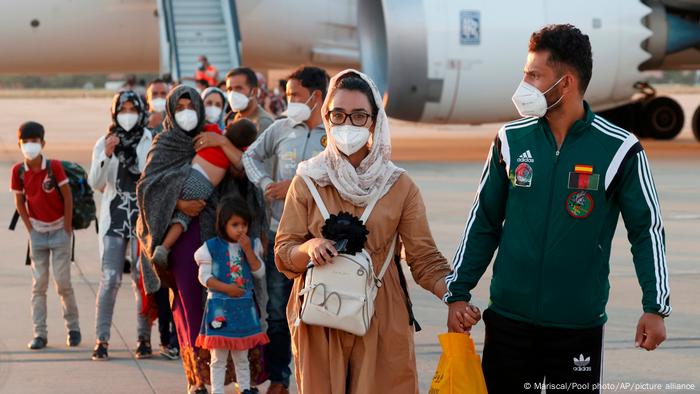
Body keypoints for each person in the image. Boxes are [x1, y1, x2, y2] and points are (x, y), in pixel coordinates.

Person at [444, 24, 671, 393]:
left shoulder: (620, 150)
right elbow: (483, 222)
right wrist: (458, 292)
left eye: (534, 75)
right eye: (525, 74)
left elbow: (647, 231)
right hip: (508, 324)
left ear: (565, 83)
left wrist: (655, 306)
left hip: (577, 330)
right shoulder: (510, 140)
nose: (524, 85)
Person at [274, 69, 451, 393]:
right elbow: (284, 250)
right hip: (321, 316)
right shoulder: (309, 179)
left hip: (382, 314)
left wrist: (455, 297)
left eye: (358, 116)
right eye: (338, 115)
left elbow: (424, 259)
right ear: (326, 116)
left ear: (374, 122)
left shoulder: (398, 185)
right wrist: (309, 246)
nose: (348, 124)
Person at [137, 85, 265, 394]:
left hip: (215, 236)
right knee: (189, 305)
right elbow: (147, 188)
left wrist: (221, 140)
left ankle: (233, 376)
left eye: (190, 105)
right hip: (181, 243)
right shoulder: (164, 143)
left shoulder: (215, 137)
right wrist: (178, 204)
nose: (186, 111)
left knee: (224, 304)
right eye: (179, 106)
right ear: (170, 109)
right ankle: (198, 379)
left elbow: (243, 172)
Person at [243, 65, 329, 394]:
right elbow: (250, 157)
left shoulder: (334, 132)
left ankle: (319, 379)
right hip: (282, 235)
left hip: (322, 240)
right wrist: (266, 183)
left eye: (293, 95)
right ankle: (280, 377)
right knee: (277, 312)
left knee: (321, 313)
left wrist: (294, 184)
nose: (287, 100)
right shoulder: (280, 129)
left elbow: (343, 173)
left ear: (315, 96)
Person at [88, 91, 154, 361]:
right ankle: (102, 339)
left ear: (140, 111)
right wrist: (106, 154)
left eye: (132, 108)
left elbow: (147, 172)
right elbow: (95, 181)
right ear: (114, 113)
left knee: (141, 280)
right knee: (111, 279)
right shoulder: (104, 142)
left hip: (141, 218)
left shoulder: (149, 138)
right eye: (122, 109)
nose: (127, 114)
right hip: (114, 218)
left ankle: (143, 339)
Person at [11, 121, 80, 350]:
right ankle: (39, 333)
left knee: (63, 283)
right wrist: (31, 229)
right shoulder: (18, 172)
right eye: (26, 142)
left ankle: (73, 328)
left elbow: (67, 197)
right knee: (38, 285)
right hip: (38, 234)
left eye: (35, 141)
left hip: (60, 230)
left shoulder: (54, 167)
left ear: (43, 143)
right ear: (20, 144)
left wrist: (67, 228)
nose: (30, 145)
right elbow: (19, 202)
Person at [151, 119, 259, 266]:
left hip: (187, 175)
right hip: (202, 186)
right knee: (183, 218)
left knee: (172, 206)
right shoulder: (233, 152)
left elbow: (200, 125)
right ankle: (164, 248)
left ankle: (158, 238)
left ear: (229, 126)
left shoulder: (213, 132)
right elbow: (241, 164)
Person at [194, 197, 269, 394]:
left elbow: (259, 272)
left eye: (244, 224)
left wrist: (248, 250)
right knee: (218, 357)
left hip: (243, 308)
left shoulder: (252, 245)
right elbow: (204, 277)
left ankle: (244, 388)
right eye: (235, 224)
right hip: (219, 308)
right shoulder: (210, 247)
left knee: (241, 355)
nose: (241, 229)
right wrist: (228, 289)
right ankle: (217, 390)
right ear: (223, 224)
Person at [225, 67, 275, 135]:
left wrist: (224, 142)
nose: (233, 94)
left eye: (238, 88)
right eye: (230, 89)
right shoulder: (234, 117)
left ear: (254, 92)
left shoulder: (263, 123)